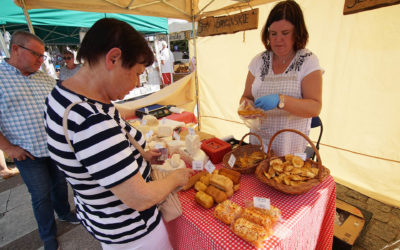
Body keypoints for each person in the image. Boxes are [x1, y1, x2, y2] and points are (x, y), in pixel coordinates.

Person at [44, 18, 193, 249]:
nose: (137, 83)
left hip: (103, 219)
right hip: (133, 232)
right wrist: (177, 177)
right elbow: (139, 197)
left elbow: (96, 158)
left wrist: (141, 155)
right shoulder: (91, 120)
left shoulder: (63, 95)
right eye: (136, 73)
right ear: (113, 58)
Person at [0, 30, 79, 250]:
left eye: (42, 56)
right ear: (16, 49)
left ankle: (64, 213)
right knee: (40, 194)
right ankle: (47, 235)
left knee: (60, 185)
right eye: (36, 54)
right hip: (27, 152)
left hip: (55, 147)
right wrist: (8, 148)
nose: (41, 60)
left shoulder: (45, 79)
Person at [240, 0, 323, 157]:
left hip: (289, 148)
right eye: (273, 33)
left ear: (297, 33)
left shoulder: (308, 61)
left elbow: (315, 107)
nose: (278, 39)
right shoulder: (258, 61)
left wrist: (281, 100)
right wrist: (247, 107)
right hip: (258, 145)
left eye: (285, 33)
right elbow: (246, 96)